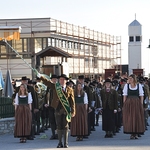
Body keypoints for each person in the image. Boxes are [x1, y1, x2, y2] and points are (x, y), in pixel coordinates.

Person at [35, 72, 75, 148]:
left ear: (66, 81)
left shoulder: (70, 89)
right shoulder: (56, 87)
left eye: (63, 79)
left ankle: (65, 143)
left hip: (66, 110)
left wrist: (73, 111)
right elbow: (47, 83)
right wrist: (40, 76)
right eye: (60, 79)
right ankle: (60, 142)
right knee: (59, 126)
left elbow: (72, 101)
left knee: (66, 126)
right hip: (57, 109)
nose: (61, 81)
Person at [122, 74, 145, 139]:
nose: (129, 80)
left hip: (136, 102)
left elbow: (141, 95)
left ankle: (136, 133)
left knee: (137, 117)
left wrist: (141, 104)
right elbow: (125, 95)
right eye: (129, 78)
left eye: (131, 78)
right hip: (129, 103)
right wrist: (125, 104)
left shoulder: (139, 85)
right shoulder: (126, 86)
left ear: (134, 79)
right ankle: (131, 133)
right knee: (130, 118)